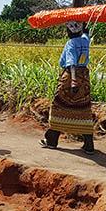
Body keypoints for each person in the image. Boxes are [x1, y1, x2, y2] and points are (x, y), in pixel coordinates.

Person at [41, 21, 95, 154]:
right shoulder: (85, 40)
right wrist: (86, 25)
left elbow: (71, 63)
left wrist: (73, 81)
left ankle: (52, 139)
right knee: (84, 109)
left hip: (71, 77)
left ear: (69, 31)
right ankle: (88, 144)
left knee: (59, 106)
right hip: (84, 77)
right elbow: (87, 33)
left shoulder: (71, 43)